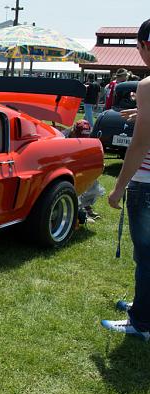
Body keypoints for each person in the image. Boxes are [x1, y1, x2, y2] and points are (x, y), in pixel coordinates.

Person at [102, 18, 150, 341]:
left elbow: (139, 144)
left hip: (146, 186)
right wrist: (141, 115)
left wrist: (118, 187)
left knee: (145, 255)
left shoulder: (146, 86)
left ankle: (141, 322)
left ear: (145, 45)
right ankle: (143, 305)